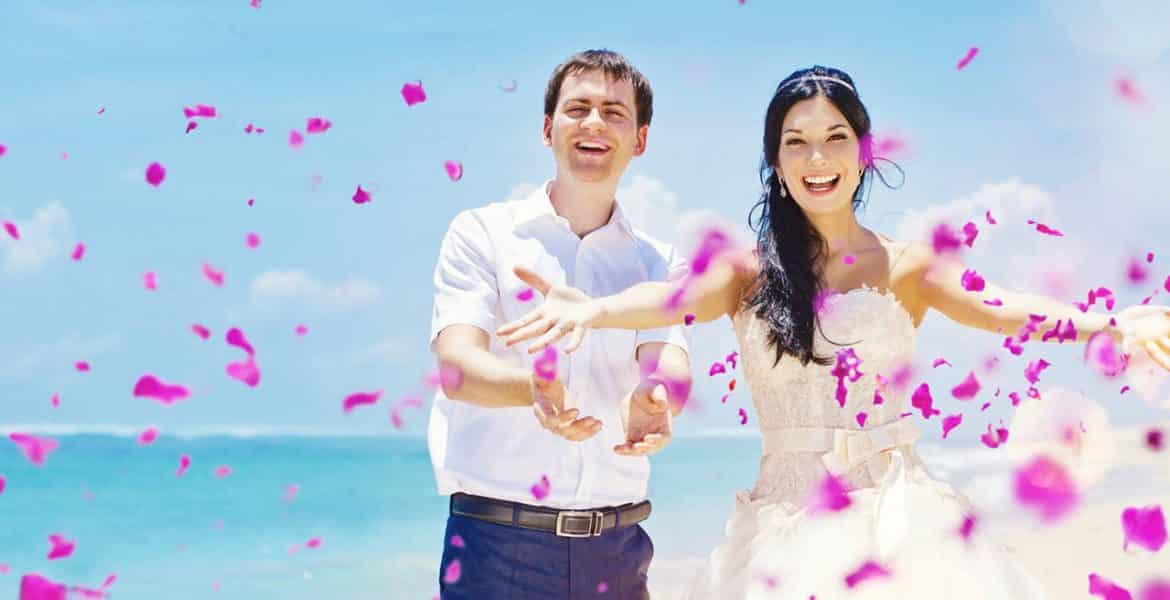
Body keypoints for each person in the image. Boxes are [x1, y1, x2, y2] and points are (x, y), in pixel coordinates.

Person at [497, 65, 1170, 599]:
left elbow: (1003, 308)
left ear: (863, 151)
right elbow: (669, 297)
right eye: (796, 142)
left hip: (903, 520)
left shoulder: (909, 265)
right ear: (777, 162)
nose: (816, 157)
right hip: (783, 529)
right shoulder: (746, 271)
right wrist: (591, 307)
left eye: (834, 138)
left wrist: (1109, 322)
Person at [428, 49, 692, 600]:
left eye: (614, 112)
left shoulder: (659, 262)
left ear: (640, 139)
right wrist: (531, 390)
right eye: (578, 108)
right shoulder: (483, 233)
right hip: (497, 545)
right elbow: (456, 364)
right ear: (548, 129)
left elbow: (665, 355)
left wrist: (657, 397)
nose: (594, 123)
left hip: (616, 550)